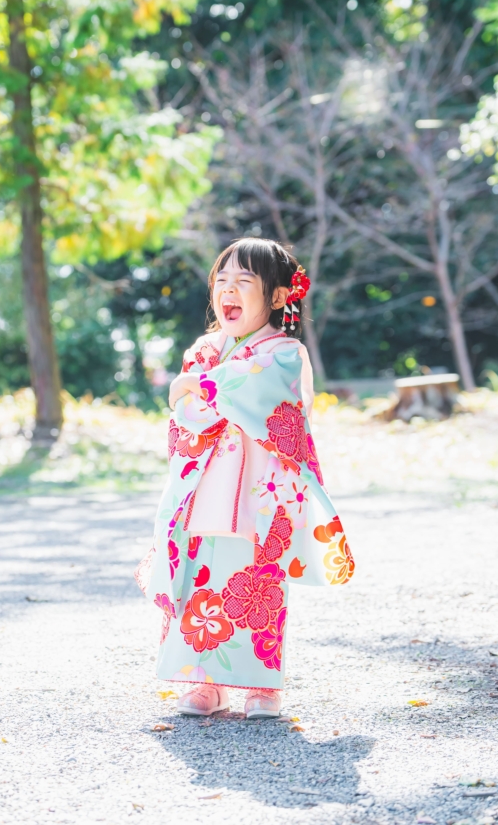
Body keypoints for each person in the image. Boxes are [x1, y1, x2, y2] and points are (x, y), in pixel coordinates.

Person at [135, 238, 355, 719]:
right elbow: (192, 415)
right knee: (201, 580)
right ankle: (204, 683)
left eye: (244, 282)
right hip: (205, 485)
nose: (228, 291)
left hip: (263, 492)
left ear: (277, 297)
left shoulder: (284, 354)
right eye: (222, 281)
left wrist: (193, 387)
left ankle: (263, 687)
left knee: (257, 586)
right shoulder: (205, 349)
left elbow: (239, 393)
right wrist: (194, 393)